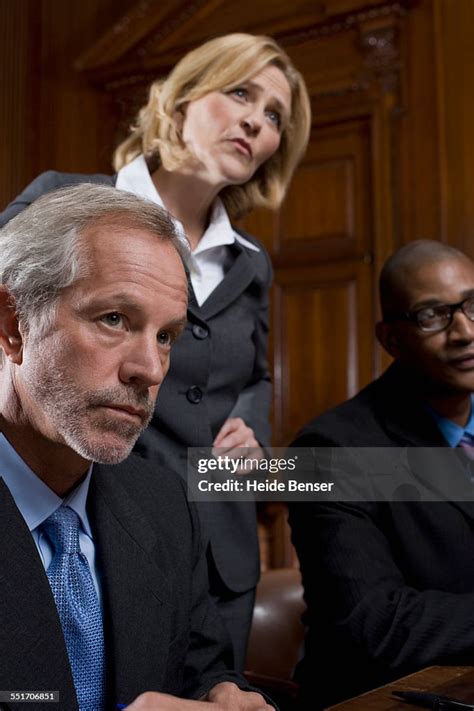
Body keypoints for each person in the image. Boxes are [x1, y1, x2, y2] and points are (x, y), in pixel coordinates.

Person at [0, 33, 311, 668]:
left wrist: (254, 428)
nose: (257, 119)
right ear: (178, 106)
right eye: (239, 92)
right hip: (78, 512)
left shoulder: (253, 264)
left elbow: (255, 374)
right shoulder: (64, 201)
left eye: (275, 115)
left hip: (215, 537)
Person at [0, 184, 275, 711]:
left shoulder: (164, 504)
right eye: (114, 319)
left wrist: (223, 695)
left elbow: (201, 670)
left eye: (166, 336)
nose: (150, 370)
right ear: (14, 326)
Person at [288, 240, 474, 708]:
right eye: (434, 315)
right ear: (391, 339)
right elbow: (373, 622)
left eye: (473, 306)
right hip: (385, 698)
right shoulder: (329, 450)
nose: (466, 331)